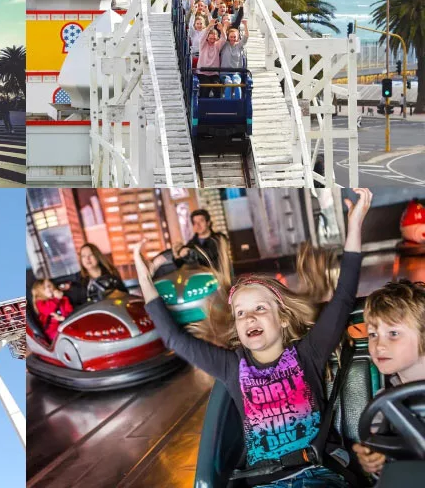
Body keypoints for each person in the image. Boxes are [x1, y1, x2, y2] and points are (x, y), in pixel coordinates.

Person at [132, 188, 372, 488]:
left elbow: (344, 297)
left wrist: (355, 224)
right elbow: (174, 339)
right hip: (265, 482)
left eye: (260, 308)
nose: (250, 318)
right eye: (241, 313)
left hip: (316, 475)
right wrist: (144, 278)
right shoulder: (232, 366)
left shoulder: (307, 353)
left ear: (283, 318)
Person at [352, 280, 425, 478]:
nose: (379, 345)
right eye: (373, 334)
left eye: (393, 334)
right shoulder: (385, 405)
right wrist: (373, 460)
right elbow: (379, 454)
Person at [64, 243, 127, 307]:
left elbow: (124, 295)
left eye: (91, 255)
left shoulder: (111, 274)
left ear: (97, 256)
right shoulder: (78, 280)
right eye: (83, 256)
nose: (87, 259)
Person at [31, 278, 74, 342]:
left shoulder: (64, 299)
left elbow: (70, 311)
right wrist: (56, 299)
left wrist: (63, 318)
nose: (48, 289)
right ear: (38, 292)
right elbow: (49, 309)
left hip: (66, 324)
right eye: (44, 288)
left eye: (49, 286)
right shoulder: (40, 303)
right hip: (53, 332)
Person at [220, 21, 249, 99]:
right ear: (228, 37)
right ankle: (228, 103)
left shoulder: (239, 46)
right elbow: (223, 36)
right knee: (229, 83)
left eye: (234, 37)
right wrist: (225, 26)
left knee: (236, 82)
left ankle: (238, 103)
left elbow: (245, 37)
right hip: (225, 73)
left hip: (235, 73)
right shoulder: (224, 45)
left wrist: (245, 25)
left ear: (237, 37)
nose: (232, 39)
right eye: (231, 37)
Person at [197, 20, 227, 97]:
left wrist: (222, 30)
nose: (212, 40)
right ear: (207, 38)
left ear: (216, 38)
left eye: (214, 39)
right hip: (203, 73)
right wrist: (209, 26)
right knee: (206, 87)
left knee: (217, 87)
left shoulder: (217, 45)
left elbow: (224, 39)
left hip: (214, 73)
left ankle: (217, 106)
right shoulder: (203, 44)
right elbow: (202, 37)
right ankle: (203, 106)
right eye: (210, 38)